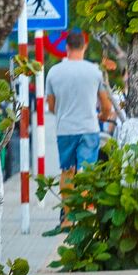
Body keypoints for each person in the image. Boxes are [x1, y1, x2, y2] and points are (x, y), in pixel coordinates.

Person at [46, 32, 115, 222]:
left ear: (66, 48)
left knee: (68, 171)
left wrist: (63, 113)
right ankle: (83, 217)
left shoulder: (54, 72)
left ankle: (67, 219)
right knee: (86, 172)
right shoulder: (94, 71)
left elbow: (51, 106)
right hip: (89, 128)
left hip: (65, 130)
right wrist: (102, 115)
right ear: (84, 47)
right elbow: (106, 105)